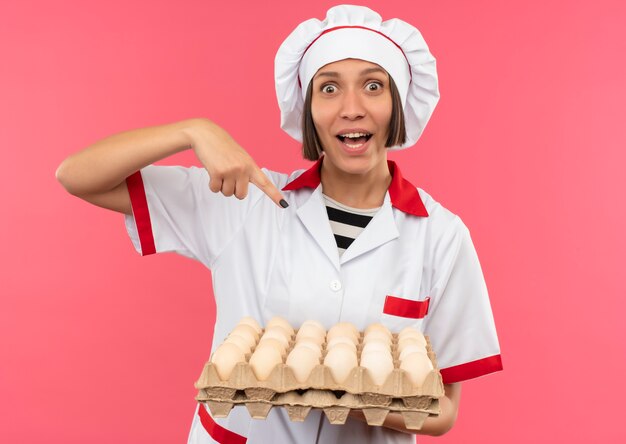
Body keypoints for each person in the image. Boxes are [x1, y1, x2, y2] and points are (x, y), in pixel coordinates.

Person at [56, 5, 502, 443]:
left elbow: (443, 408)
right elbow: (77, 176)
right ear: (307, 108)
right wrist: (193, 131)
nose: (351, 108)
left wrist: (349, 396)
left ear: (398, 102)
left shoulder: (441, 237)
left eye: (372, 85)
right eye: (329, 89)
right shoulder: (245, 199)